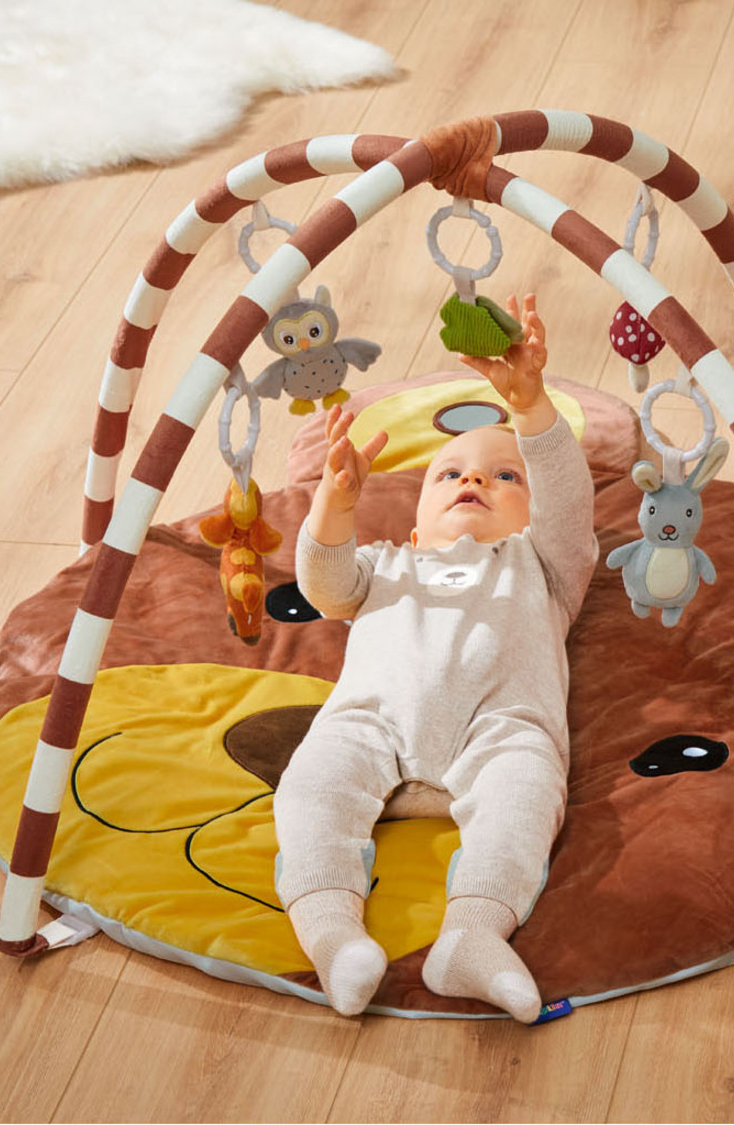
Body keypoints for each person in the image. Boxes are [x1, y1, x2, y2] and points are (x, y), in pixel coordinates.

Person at [273, 294, 598, 1021]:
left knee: (526, 797)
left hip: (500, 729)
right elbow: (323, 585)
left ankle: (471, 937)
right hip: (370, 723)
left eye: (505, 476)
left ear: (533, 513)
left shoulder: (542, 564)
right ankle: (333, 934)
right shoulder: (388, 562)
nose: (473, 481)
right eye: (448, 475)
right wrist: (334, 504)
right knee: (310, 790)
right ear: (416, 524)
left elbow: (569, 503)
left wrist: (532, 408)